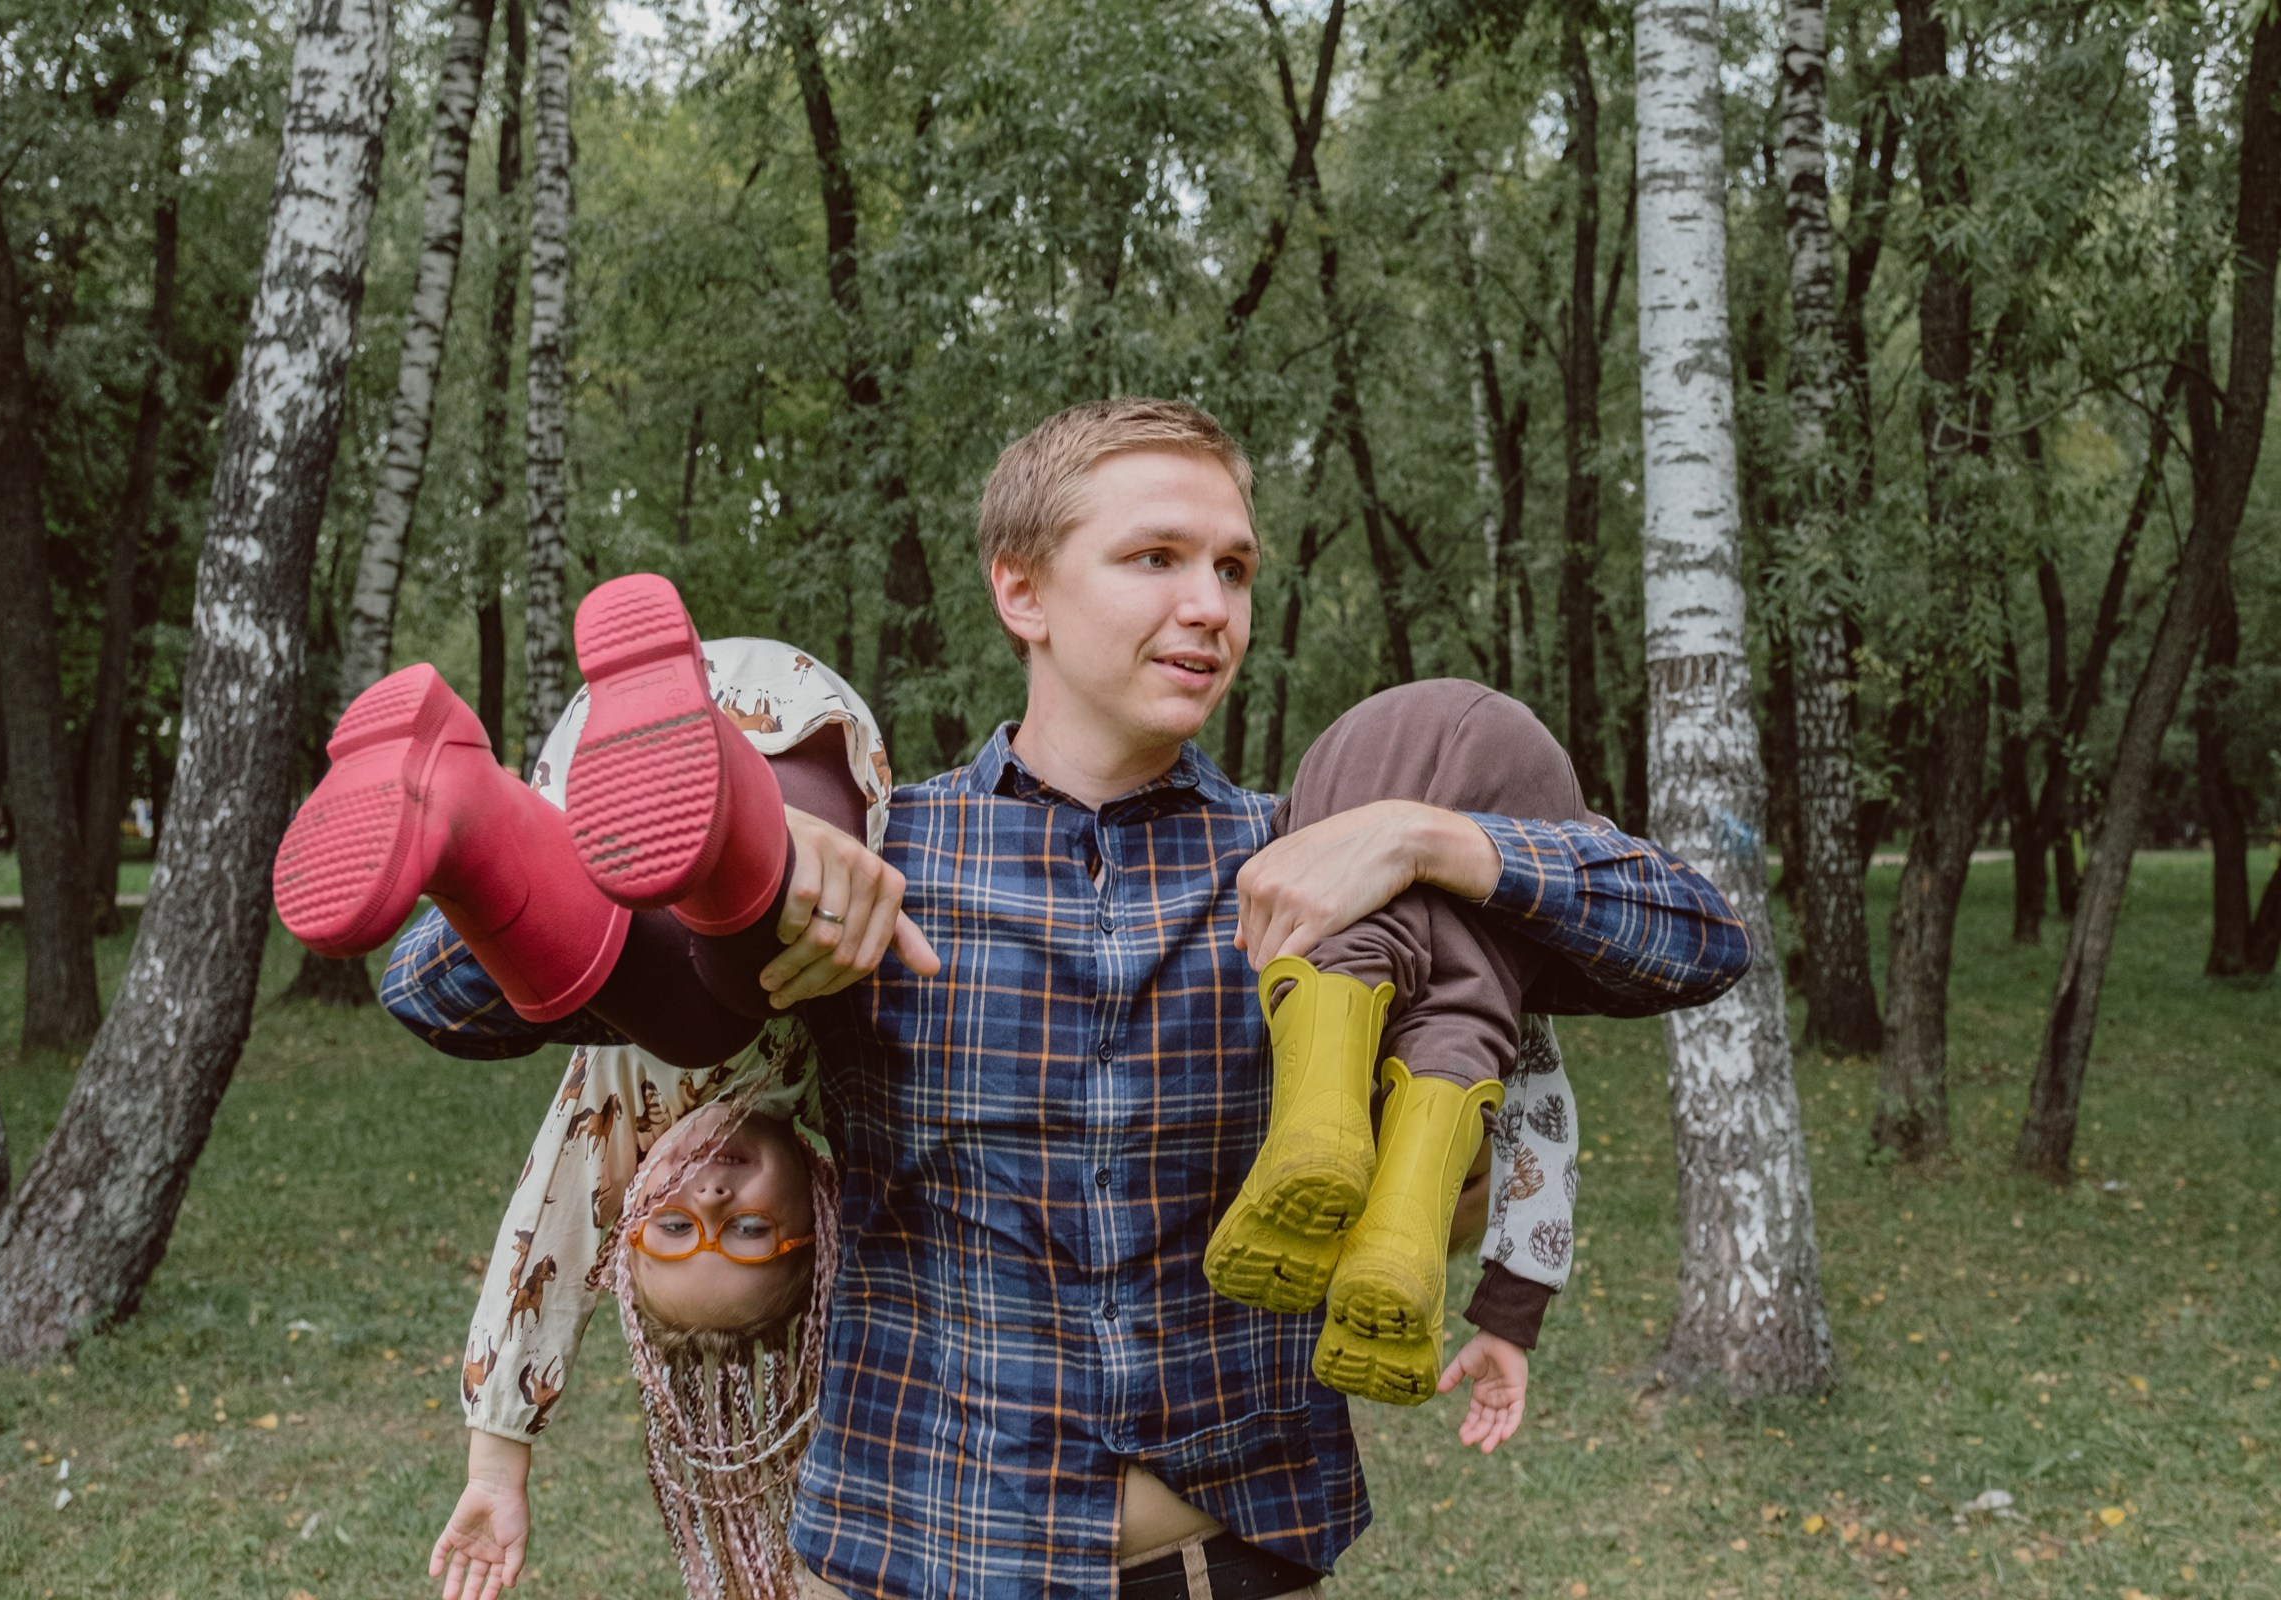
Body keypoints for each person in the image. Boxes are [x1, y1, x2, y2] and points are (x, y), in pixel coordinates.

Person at [379, 399, 1750, 1598]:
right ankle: (461, 802)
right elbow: (439, 999)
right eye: (1155, 559)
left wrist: (1426, 837)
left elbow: (1698, 941)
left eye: (1233, 568)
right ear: (1020, 591)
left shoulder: (1314, 863)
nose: (1210, 605)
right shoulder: (881, 856)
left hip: (1234, 1564)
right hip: (919, 1560)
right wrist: (730, 876)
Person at [271, 616, 912, 1600]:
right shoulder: (861, 1098)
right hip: (803, 744)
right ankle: (701, 804)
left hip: (589, 805)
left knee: (432, 995)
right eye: (747, 1232)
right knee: (737, 1003)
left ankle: (463, 804)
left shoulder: (625, 1134)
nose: (707, 1196)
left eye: (671, 1229)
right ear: (822, 1225)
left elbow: (546, 1253)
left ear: (631, 1218)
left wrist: (497, 1467)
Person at [1206, 678, 1630, 1407]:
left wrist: (1511, 1315)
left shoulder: (1500, 1027)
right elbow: (1544, 1154)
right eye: (1462, 1181)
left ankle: (1337, 1157)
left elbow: (1544, 1154)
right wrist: (1509, 1321)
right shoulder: (1514, 1036)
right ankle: (1355, 1181)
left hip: (1444, 758)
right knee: (1344, 935)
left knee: (1404, 966)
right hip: (1506, 786)